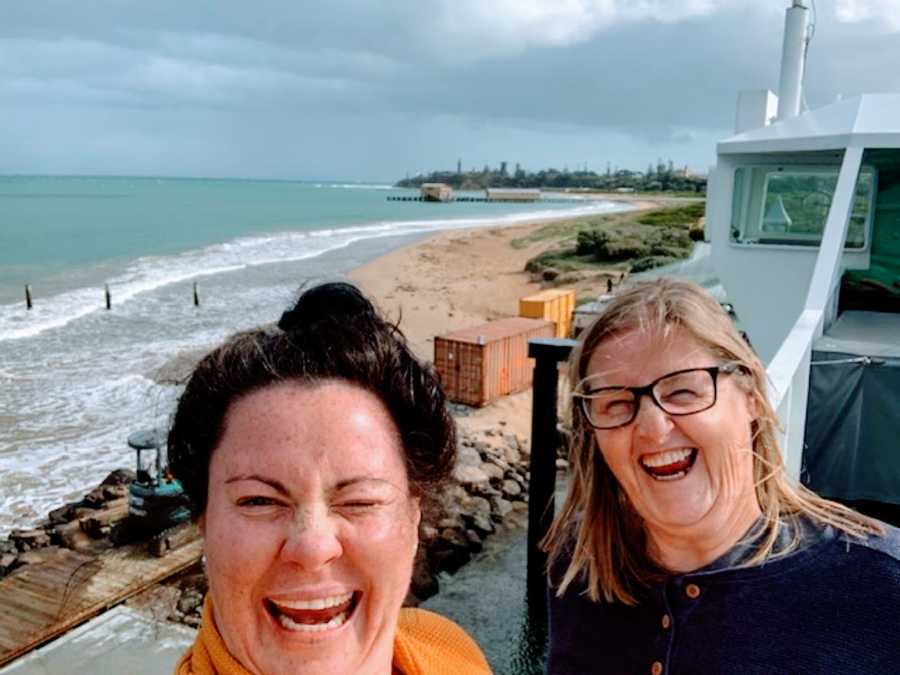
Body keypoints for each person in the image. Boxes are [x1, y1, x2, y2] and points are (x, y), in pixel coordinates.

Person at [543, 278, 900, 675]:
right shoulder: (581, 565)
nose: (653, 428)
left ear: (751, 398)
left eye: (683, 392)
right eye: (615, 403)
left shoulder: (881, 586)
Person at [168, 282, 491, 675]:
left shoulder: (452, 654)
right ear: (203, 521)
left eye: (360, 501)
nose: (312, 547)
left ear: (413, 516)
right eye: (259, 501)